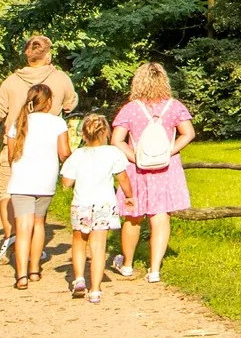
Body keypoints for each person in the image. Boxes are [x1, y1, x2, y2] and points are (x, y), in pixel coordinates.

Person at [0, 33, 79, 260]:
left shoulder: (11, 81)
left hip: (14, 146)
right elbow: (70, 105)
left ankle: (12, 237)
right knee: (38, 198)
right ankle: (34, 246)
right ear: (48, 55)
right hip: (45, 150)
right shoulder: (61, 78)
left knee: (8, 193)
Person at [111, 61, 196, 282]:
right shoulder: (175, 106)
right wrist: (169, 152)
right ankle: (154, 269)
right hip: (166, 170)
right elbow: (188, 133)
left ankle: (128, 265)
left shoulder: (130, 109)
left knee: (133, 216)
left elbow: (116, 139)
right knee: (160, 217)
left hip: (137, 170)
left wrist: (135, 157)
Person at [3, 84, 71, 290]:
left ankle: (21, 274)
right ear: (49, 102)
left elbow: (10, 155)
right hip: (46, 180)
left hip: (22, 179)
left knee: (23, 228)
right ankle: (35, 269)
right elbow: (64, 153)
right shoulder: (57, 123)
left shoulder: (19, 122)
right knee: (39, 224)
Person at [58, 114, 130, 304]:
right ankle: (95, 290)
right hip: (104, 204)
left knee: (79, 241)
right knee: (99, 247)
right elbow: (122, 178)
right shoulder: (113, 153)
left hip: (81, 204)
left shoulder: (78, 155)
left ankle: (79, 278)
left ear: (83, 134)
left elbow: (66, 182)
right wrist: (129, 196)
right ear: (106, 132)